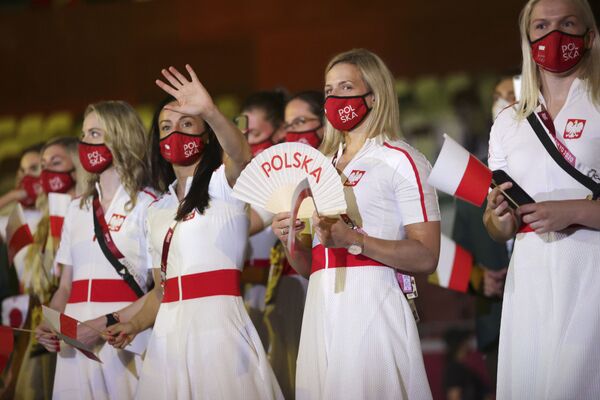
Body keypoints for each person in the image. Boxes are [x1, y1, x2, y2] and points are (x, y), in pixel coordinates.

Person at [106, 65, 283, 399]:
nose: (176, 133)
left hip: (220, 331)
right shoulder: (155, 210)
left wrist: (210, 111)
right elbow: (161, 291)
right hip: (169, 340)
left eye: (187, 123)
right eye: (166, 127)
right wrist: (132, 324)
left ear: (205, 134)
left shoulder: (224, 183)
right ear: (158, 141)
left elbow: (241, 154)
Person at [272, 49, 440, 400]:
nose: (334, 99)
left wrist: (355, 240)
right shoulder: (318, 168)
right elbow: (311, 267)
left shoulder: (402, 159)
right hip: (319, 307)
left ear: (374, 95)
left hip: (371, 303)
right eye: (329, 91)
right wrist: (292, 242)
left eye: (345, 87)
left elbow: (426, 256)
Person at [484, 0, 600, 398]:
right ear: (527, 38)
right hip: (529, 277)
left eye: (567, 23)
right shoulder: (508, 123)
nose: (554, 34)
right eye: (541, 25)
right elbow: (498, 226)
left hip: (591, 269)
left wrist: (578, 211)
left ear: (589, 35)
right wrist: (498, 219)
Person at [35, 101, 156, 400]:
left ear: (120, 137)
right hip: (73, 343)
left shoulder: (149, 204)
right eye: (83, 133)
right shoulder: (77, 208)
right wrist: (50, 322)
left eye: (94, 133)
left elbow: (161, 290)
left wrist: (107, 324)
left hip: (122, 338)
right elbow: (65, 286)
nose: (84, 142)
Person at [263, 90, 323, 399]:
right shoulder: (283, 181)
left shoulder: (338, 175)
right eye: (288, 126)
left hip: (335, 292)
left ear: (324, 125)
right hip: (292, 289)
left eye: (301, 122)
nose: (292, 133)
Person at [16, 136, 84, 400]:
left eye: (55, 163)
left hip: (81, 326)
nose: (46, 173)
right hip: (46, 332)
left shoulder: (92, 210)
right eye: (43, 166)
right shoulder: (44, 223)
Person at [239, 90, 288, 349]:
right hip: (248, 300)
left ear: (280, 131)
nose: (249, 143)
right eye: (244, 136)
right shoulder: (240, 178)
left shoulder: (284, 177)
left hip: (282, 298)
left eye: (256, 135)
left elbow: (246, 224)